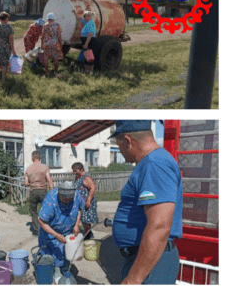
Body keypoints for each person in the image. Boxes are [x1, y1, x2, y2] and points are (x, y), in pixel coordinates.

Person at [110, 120, 182, 284]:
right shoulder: (151, 162)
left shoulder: (154, 164)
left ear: (127, 141)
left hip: (151, 263)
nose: (120, 152)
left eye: (118, 145)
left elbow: (160, 226)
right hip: (147, 260)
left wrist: (133, 280)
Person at [38, 181, 84, 271]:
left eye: (70, 199)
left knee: (64, 254)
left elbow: (79, 209)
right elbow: (42, 222)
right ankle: (50, 272)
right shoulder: (50, 201)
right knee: (48, 257)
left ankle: (62, 269)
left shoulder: (76, 195)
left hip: (66, 232)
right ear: (59, 194)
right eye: (65, 199)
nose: (68, 201)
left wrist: (76, 225)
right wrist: (56, 235)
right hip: (50, 233)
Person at [24, 151, 54, 235]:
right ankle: (47, 228)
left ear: (32, 158)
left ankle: (36, 230)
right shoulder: (44, 167)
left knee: (34, 212)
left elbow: (26, 183)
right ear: (39, 157)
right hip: (43, 191)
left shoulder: (28, 169)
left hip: (33, 191)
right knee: (46, 210)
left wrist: (31, 183)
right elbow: (49, 180)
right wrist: (52, 191)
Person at [72, 162, 98, 239]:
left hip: (86, 201)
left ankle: (87, 235)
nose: (74, 172)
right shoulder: (77, 177)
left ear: (81, 169)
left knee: (86, 220)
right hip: (79, 202)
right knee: (82, 219)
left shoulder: (86, 178)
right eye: (73, 171)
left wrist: (88, 200)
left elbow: (93, 188)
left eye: (76, 170)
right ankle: (89, 233)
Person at [41, 12, 63, 77]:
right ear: (54, 19)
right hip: (54, 44)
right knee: (55, 57)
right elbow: (59, 36)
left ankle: (47, 72)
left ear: (47, 19)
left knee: (45, 57)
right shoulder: (57, 25)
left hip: (46, 43)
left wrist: (42, 44)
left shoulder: (45, 25)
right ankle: (56, 72)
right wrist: (60, 44)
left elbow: (42, 36)